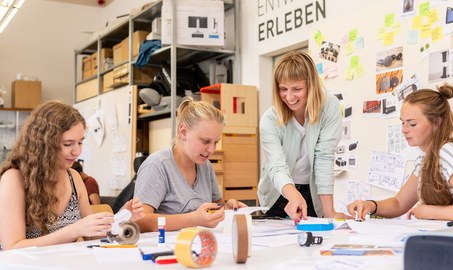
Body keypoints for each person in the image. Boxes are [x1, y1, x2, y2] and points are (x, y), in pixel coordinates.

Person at [0, 100, 144, 250]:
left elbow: (91, 235)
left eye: (80, 142)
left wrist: (121, 219)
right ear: (44, 144)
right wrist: (74, 230)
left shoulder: (73, 177)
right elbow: (13, 247)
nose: (77, 152)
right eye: (68, 144)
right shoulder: (14, 179)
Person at [347, 84, 453, 221]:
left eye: (412, 124)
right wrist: (371, 205)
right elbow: (399, 203)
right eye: (403, 123)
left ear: (436, 123)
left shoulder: (450, 155)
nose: (404, 130)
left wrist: (430, 212)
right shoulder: (425, 158)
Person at [258, 51, 350, 222]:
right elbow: (277, 166)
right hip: (278, 192)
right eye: (283, 89)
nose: (289, 97)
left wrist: (329, 211)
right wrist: (293, 195)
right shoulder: (270, 119)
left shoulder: (329, 107)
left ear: (311, 85)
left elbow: (324, 157)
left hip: (313, 194)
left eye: (297, 89)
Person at [134, 98, 247, 232]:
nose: (211, 149)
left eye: (216, 142)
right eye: (206, 141)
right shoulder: (157, 166)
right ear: (183, 132)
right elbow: (140, 221)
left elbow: (217, 206)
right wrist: (194, 219)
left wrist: (227, 209)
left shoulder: (206, 166)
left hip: (201, 244)